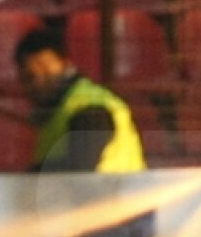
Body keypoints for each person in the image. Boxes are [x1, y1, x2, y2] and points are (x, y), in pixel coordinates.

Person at [14, 28, 146, 172]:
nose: (36, 84)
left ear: (65, 64)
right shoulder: (58, 113)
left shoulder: (89, 106)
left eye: (44, 72)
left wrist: (29, 177)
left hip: (111, 193)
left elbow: (81, 165)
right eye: (28, 79)